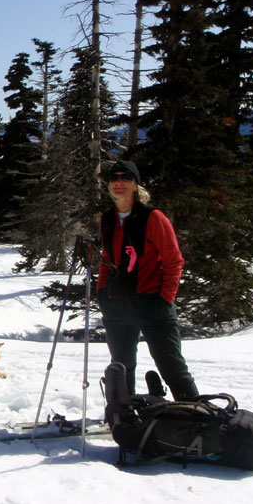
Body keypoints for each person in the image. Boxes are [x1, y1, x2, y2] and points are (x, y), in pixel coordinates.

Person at [96, 159, 198, 401]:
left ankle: (197, 418)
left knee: (172, 366)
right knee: (121, 366)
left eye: (125, 178)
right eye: (114, 178)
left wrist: (165, 299)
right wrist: (102, 291)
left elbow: (174, 260)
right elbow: (107, 258)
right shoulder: (107, 219)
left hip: (152, 304)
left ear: (135, 185)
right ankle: (124, 417)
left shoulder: (153, 217)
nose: (118, 183)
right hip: (117, 304)